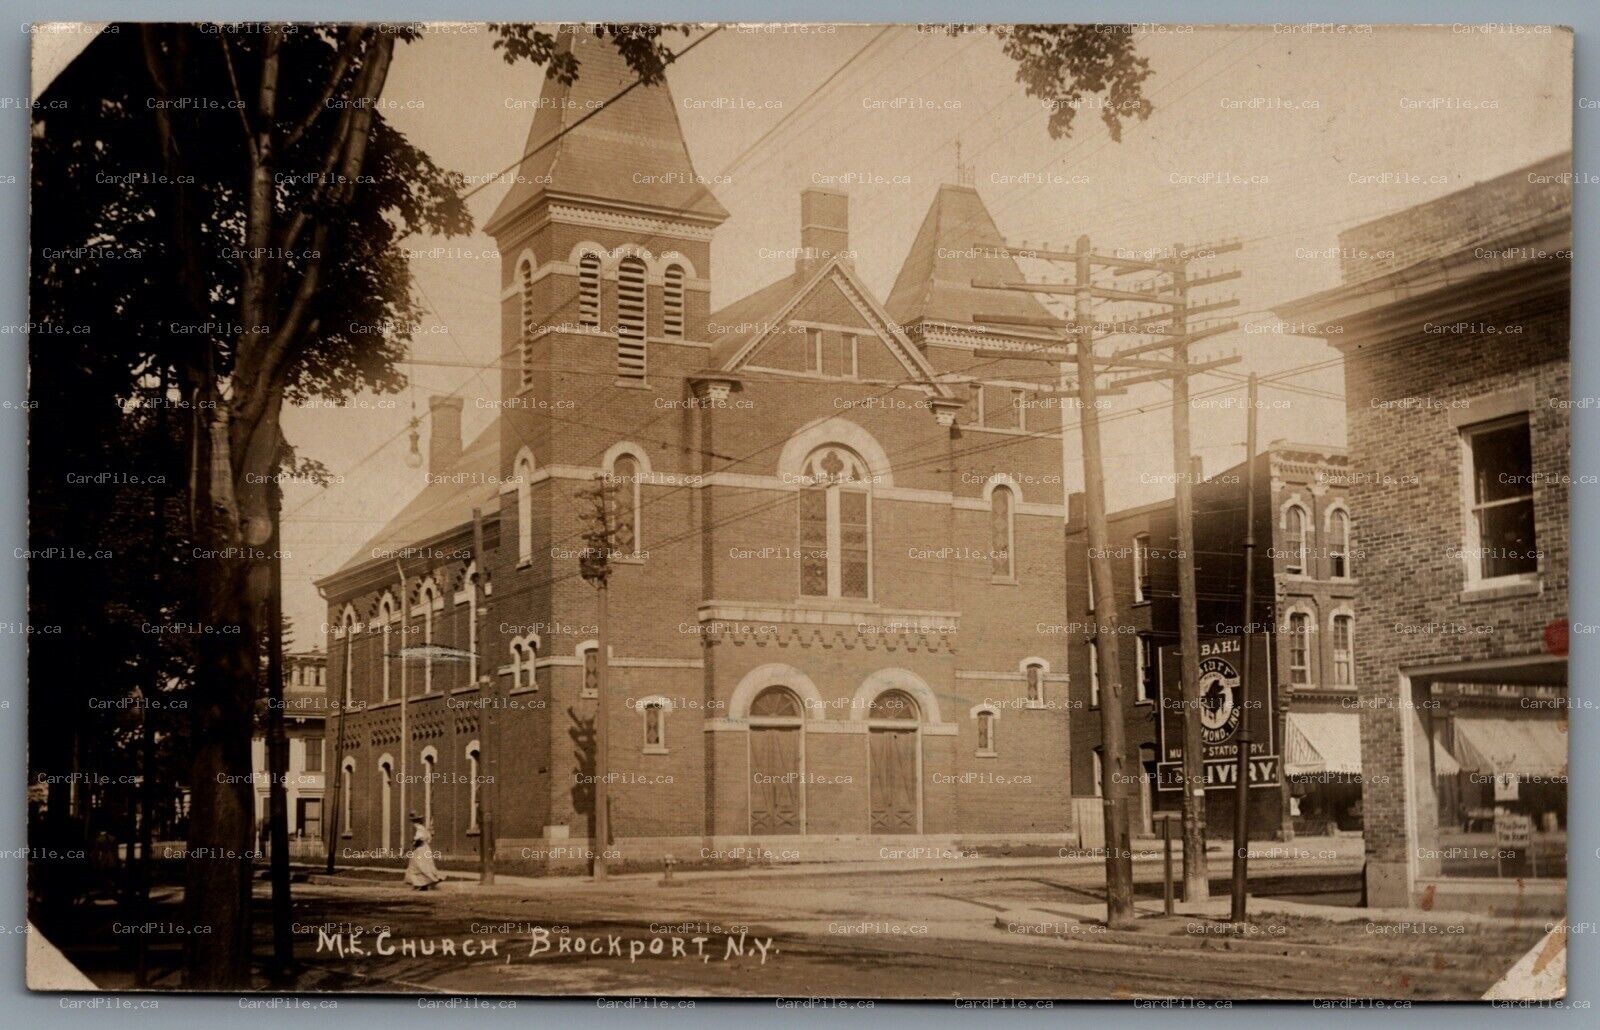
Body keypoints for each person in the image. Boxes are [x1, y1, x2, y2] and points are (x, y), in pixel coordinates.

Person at [404, 813, 445, 890]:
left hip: (420, 849)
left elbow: (418, 840)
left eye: (414, 821)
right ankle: (423, 884)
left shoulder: (419, 829)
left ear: (417, 822)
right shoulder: (424, 829)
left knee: (418, 865)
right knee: (424, 865)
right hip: (425, 848)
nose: (413, 824)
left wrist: (413, 843)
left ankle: (422, 883)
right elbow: (428, 839)